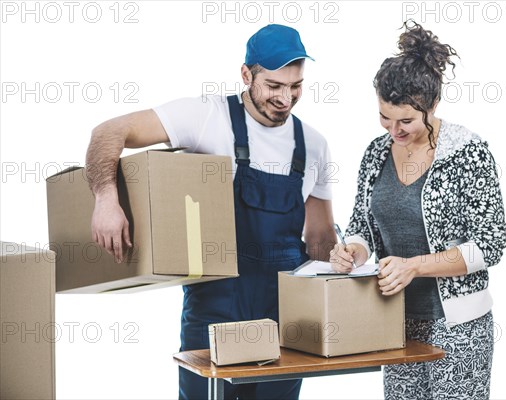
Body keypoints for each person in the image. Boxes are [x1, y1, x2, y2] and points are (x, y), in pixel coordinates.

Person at [86, 24, 337, 400]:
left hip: (285, 319)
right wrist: (106, 199)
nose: (286, 98)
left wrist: (343, 264)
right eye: (274, 86)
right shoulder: (206, 116)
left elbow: (319, 240)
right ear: (245, 75)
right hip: (215, 311)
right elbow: (108, 132)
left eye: (296, 86)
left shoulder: (313, 144)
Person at [329, 21, 506, 399]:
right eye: (384, 117)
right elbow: (362, 224)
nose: (394, 130)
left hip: (459, 326)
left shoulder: (467, 153)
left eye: (406, 120)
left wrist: (414, 265)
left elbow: (490, 245)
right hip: (394, 321)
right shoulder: (376, 153)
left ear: (433, 104)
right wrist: (352, 251)